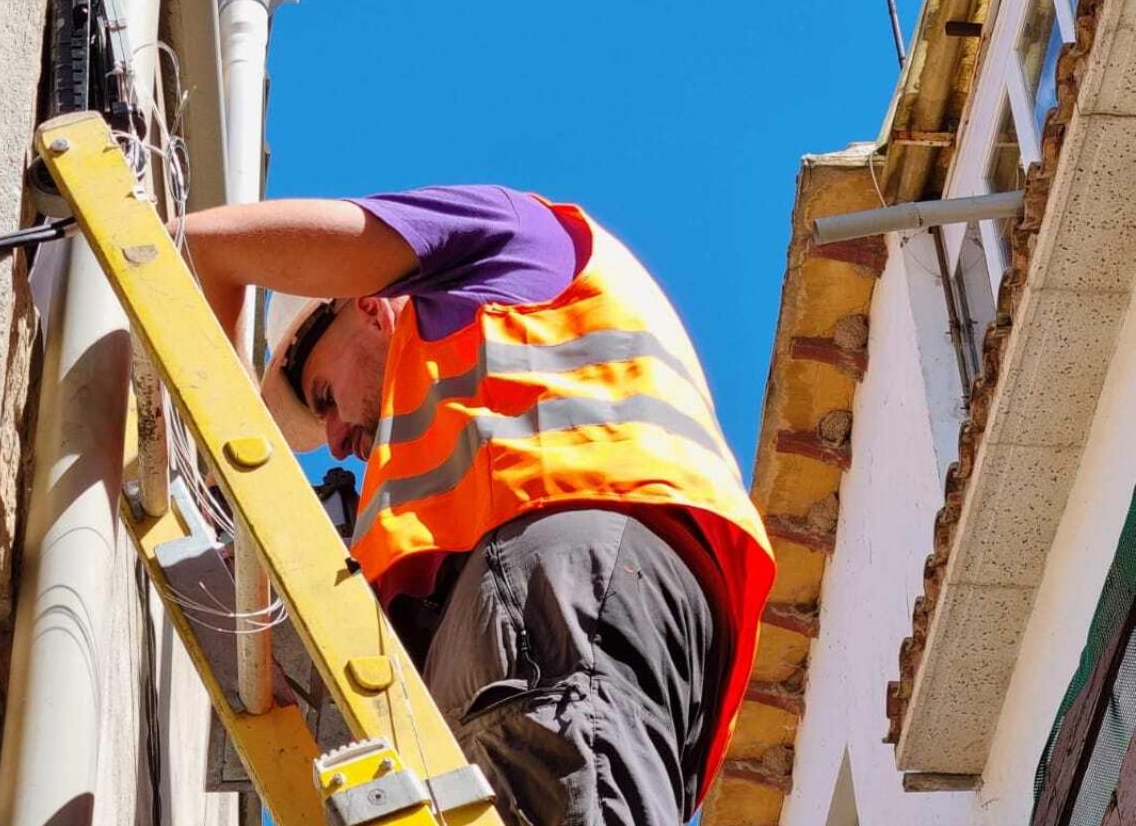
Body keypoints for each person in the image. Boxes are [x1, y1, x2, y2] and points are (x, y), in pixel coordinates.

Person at [181, 185, 775, 826]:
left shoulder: (512, 239)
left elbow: (208, 245)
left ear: (369, 307)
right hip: (591, 603)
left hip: (564, 574)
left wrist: (222, 461)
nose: (333, 440)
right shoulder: (444, 437)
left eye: (323, 394)